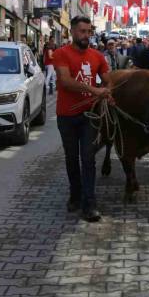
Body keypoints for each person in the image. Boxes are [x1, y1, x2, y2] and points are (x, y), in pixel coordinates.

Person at [54, 16, 112, 222]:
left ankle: (90, 203)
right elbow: (66, 81)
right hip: (66, 116)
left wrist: (109, 91)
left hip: (89, 116)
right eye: (82, 31)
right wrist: (94, 89)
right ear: (72, 32)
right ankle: (75, 194)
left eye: (89, 31)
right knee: (71, 158)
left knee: (88, 158)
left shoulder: (97, 56)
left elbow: (108, 80)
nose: (86, 35)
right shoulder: (60, 54)